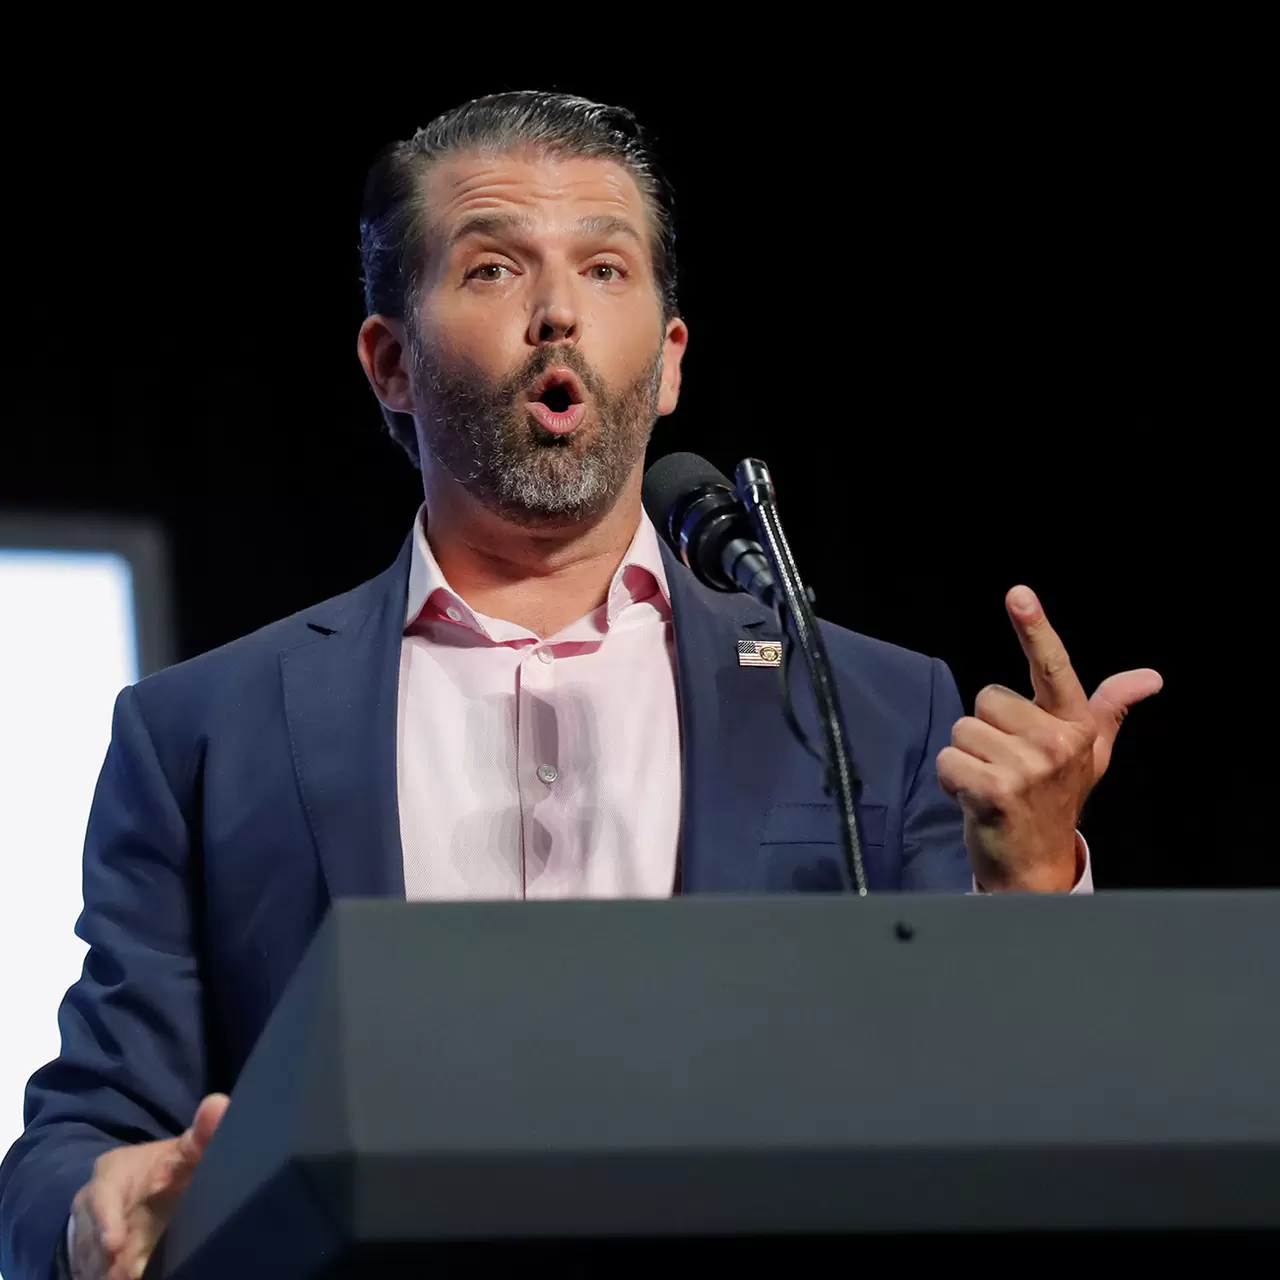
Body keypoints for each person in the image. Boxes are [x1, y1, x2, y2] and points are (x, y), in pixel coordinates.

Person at [0, 90, 1161, 1280]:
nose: (557, 310)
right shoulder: (202, 731)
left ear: (666, 363)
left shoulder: (866, 706)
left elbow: (998, 1122)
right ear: (390, 362)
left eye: (605, 270)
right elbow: (78, 1137)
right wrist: (92, 1211)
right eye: (493, 268)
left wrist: (1031, 889)